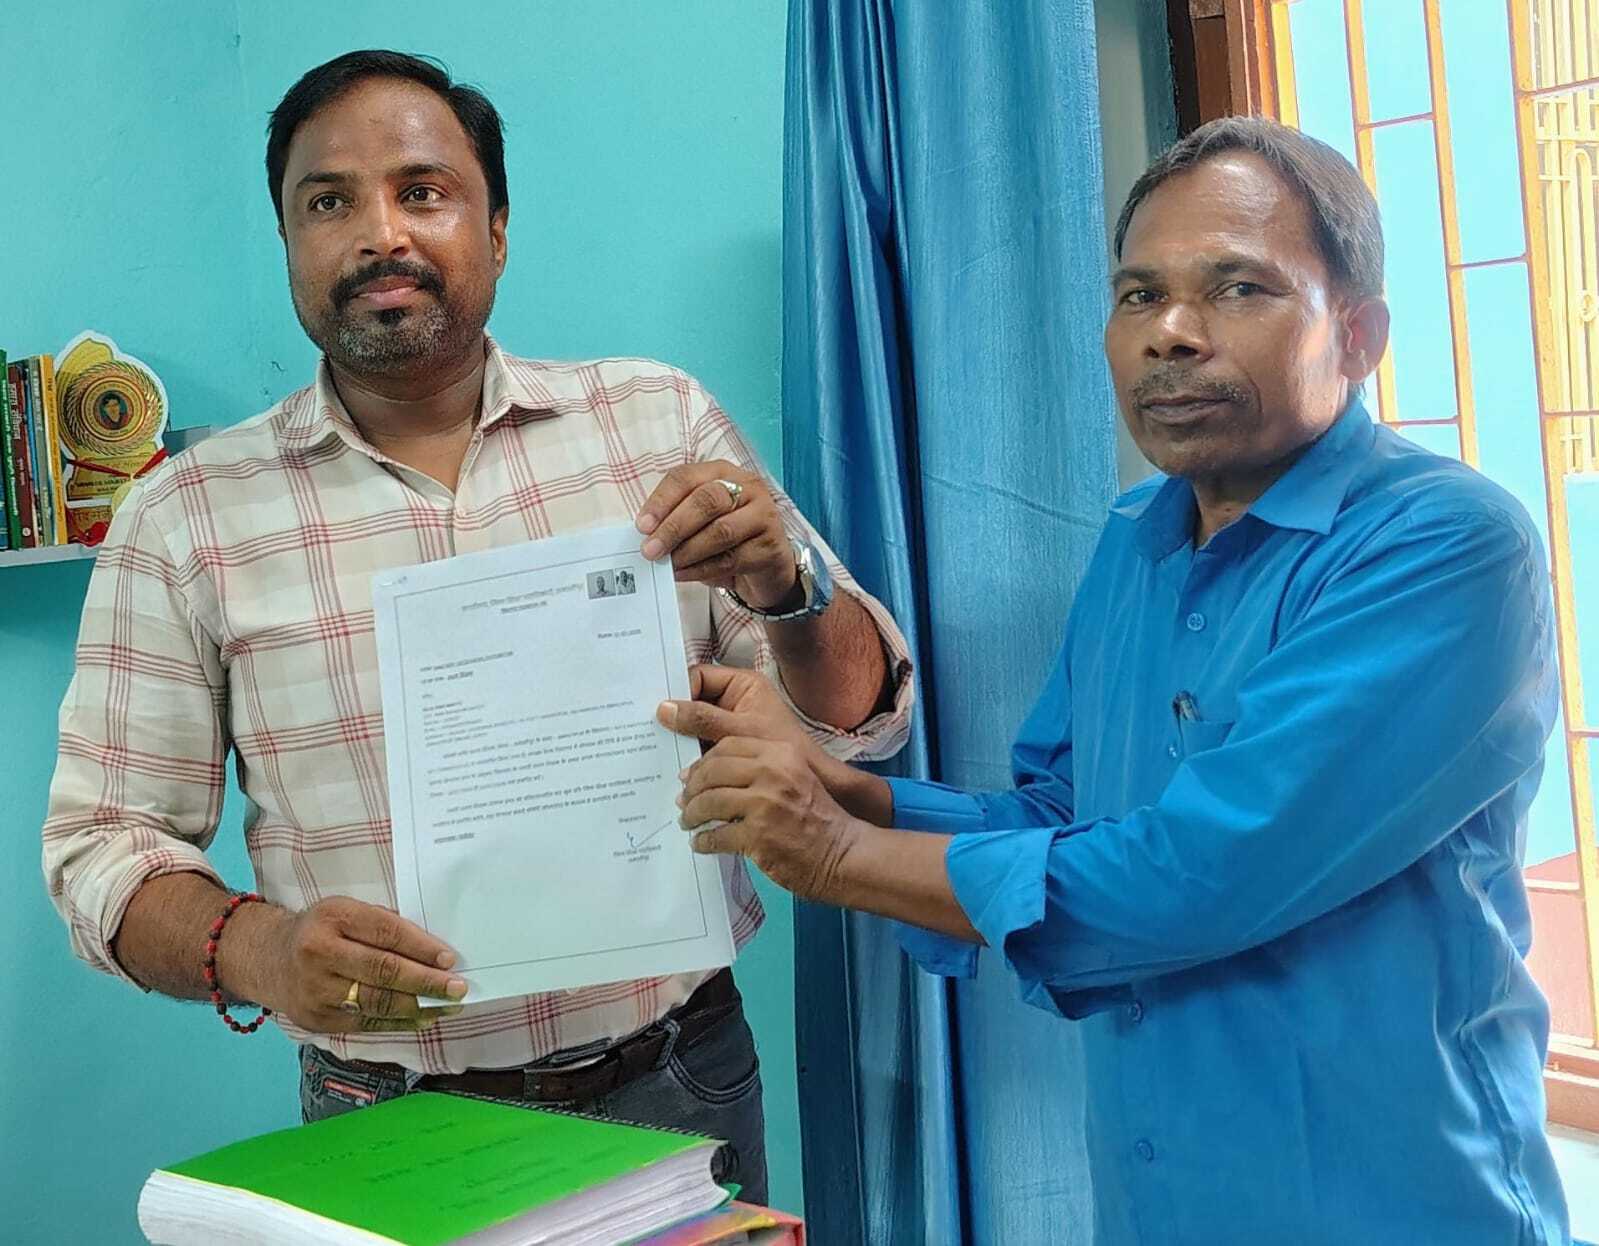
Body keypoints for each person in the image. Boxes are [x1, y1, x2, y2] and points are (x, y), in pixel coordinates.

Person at [659, 117, 1570, 1242]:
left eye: (1238, 288)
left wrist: (842, 855)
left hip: (1389, 1200)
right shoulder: (1139, 535)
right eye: (1140, 295)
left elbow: (1206, 870)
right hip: (1161, 1199)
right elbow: (1062, 812)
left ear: (1359, 334)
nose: (1170, 334)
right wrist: (862, 799)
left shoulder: (1445, 545)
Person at [41, 50, 915, 1206]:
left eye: (423, 190)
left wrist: (785, 584)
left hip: (675, 1083)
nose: (380, 234)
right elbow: (102, 845)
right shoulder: (185, 515)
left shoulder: (655, 422)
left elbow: (862, 728)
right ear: (289, 242)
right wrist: (262, 951)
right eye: (328, 202)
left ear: (496, 228)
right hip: (383, 1121)